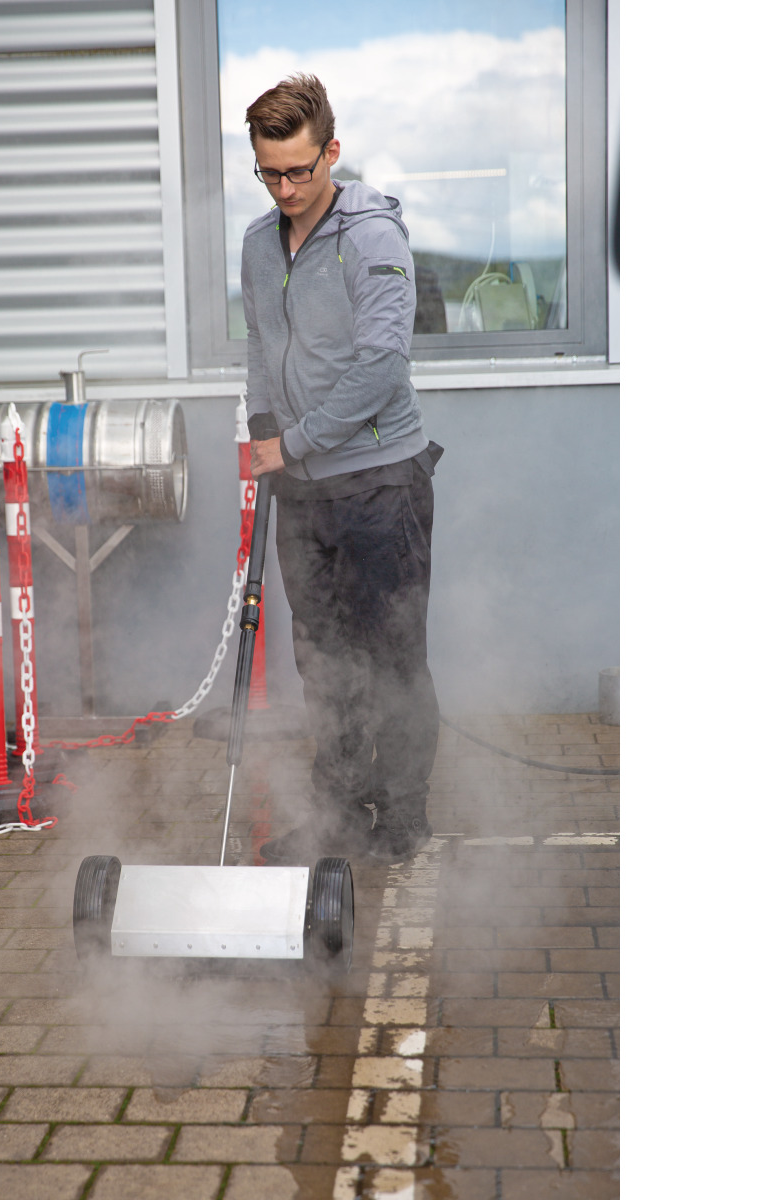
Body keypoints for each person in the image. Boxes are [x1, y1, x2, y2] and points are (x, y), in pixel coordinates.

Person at [241, 73, 443, 864]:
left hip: (380, 485)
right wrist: (264, 432)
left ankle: (402, 817)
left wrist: (292, 443)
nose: (286, 189)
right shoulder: (259, 244)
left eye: (299, 171)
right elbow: (261, 347)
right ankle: (336, 813)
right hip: (303, 491)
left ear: (331, 151)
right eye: (270, 174)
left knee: (390, 657)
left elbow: (381, 368)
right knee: (323, 661)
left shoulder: (372, 238)